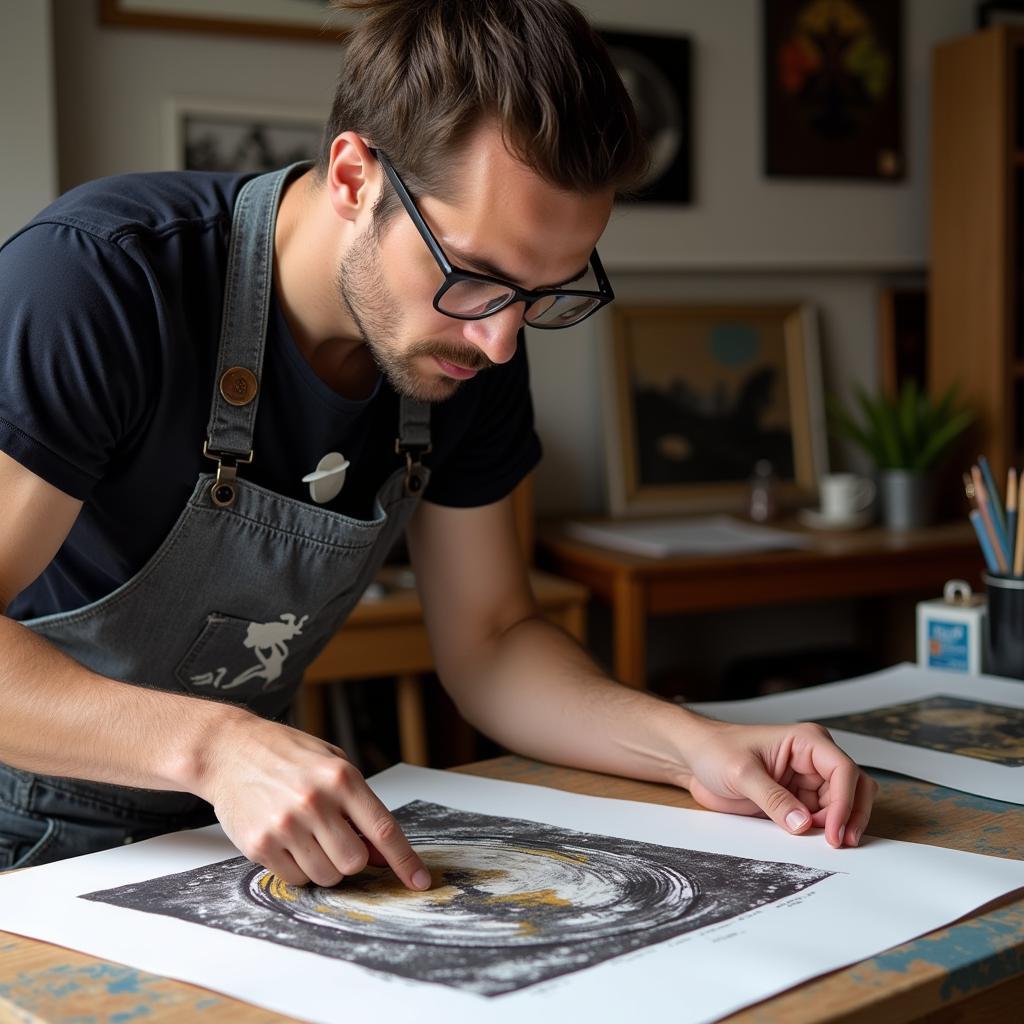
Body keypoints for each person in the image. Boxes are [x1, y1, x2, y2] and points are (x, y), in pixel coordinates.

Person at [0, 0, 876, 889]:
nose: (501, 341)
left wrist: (697, 749)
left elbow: (493, 639)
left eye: (544, 294)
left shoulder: (474, 342)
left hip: (229, 839)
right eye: (474, 277)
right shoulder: (101, 281)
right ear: (354, 178)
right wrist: (215, 747)